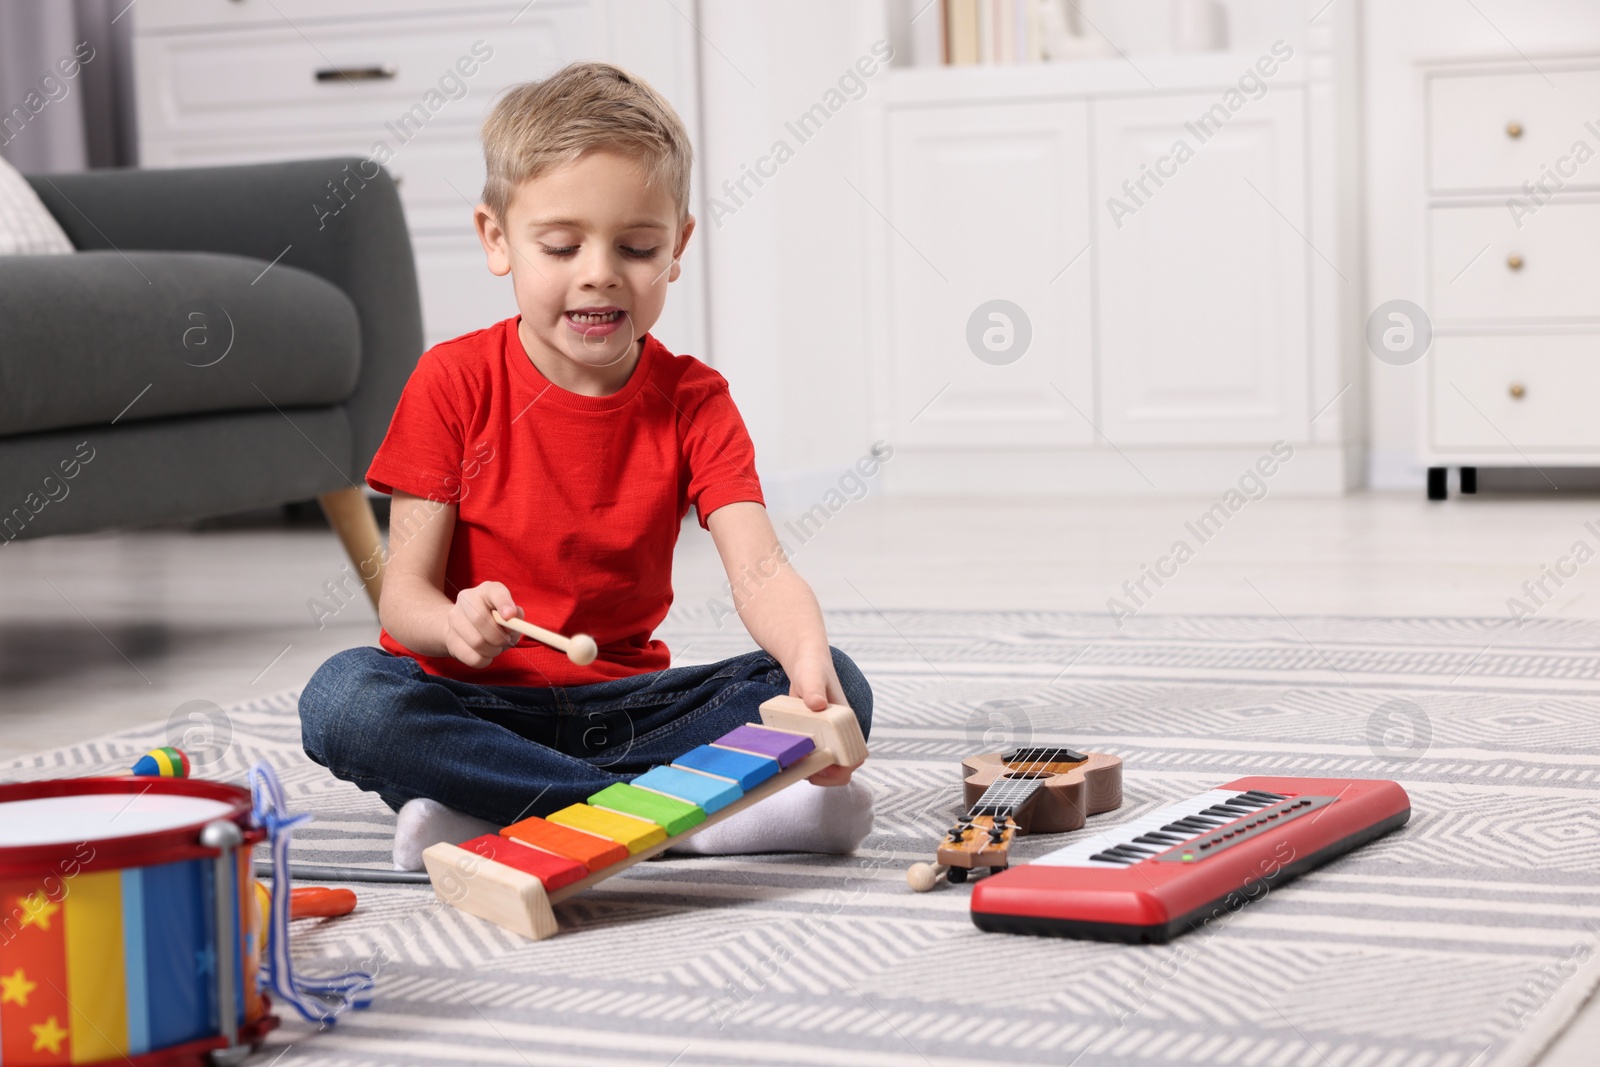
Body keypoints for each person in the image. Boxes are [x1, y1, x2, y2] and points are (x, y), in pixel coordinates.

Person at [297, 62, 873, 870]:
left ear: (676, 248)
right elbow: (405, 597)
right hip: (474, 706)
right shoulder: (450, 382)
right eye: (562, 244)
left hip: (628, 706)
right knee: (346, 699)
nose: (599, 271)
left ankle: (506, 812)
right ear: (497, 239)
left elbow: (761, 570)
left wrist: (809, 670)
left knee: (840, 677)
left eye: (636, 246)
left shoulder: (694, 400)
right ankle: (677, 816)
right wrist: (455, 624)